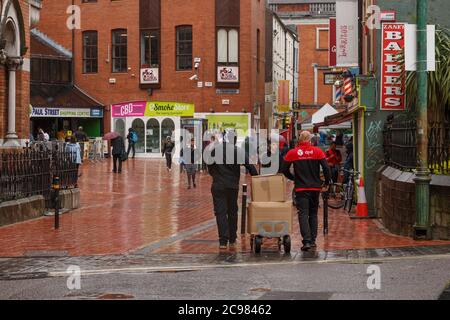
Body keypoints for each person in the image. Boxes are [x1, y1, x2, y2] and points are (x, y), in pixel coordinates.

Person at [206, 129, 258, 250]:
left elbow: (209, 164)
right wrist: (257, 177)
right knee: (232, 211)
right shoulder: (238, 151)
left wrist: (215, 175)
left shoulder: (215, 150)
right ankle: (233, 238)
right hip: (232, 186)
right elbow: (250, 167)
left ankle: (223, 241)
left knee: (220, 212)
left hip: (218, 185)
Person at [282, 131, 331, 252]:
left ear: (299, 140)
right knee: (313, 213)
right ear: (310, 140)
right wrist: (326, 182)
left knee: (303, 213)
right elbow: (326, 167)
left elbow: (283, 169)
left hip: (301, 188)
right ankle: (313, 240)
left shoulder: (292, 153)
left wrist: (294, 177)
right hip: (315, 187)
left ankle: (307, 241)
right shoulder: (317, 151)